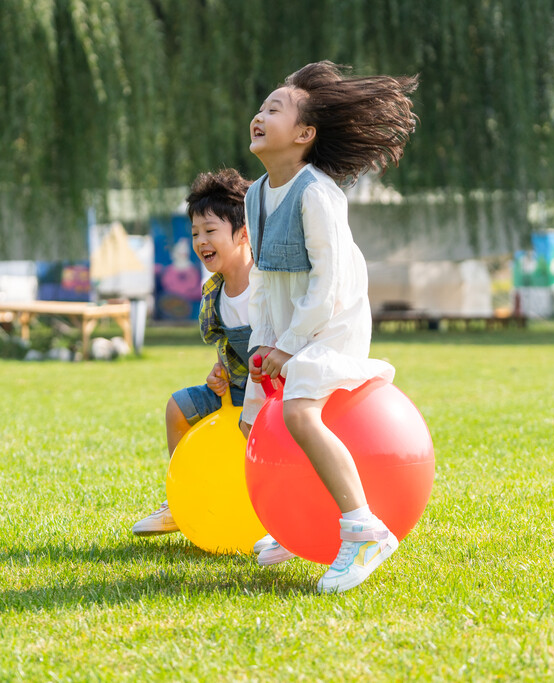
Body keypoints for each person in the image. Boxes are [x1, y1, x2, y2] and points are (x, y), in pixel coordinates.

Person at [242, 60, 418, 593]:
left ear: (304, 134)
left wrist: (294, 345)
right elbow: (267, 280)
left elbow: (331, 285)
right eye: (261, 105)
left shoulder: (318, 193)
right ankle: (297, 524)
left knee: (298, 410)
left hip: (330, 326)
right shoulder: (255, 195)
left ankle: (364, 529)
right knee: (254, 424)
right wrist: (266, 342)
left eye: (276, 108)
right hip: (283, 327)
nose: (259, 113)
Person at [132, 168, 256, 536]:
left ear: (243, 233)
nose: (201, 241)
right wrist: (219, 370)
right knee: (178, 409)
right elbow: (227, 346)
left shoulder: (266, 284)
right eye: (195, 234)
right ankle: (180, 500)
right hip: (235, 392)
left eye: (210, 231)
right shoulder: (213, 291)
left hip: (275, 395)